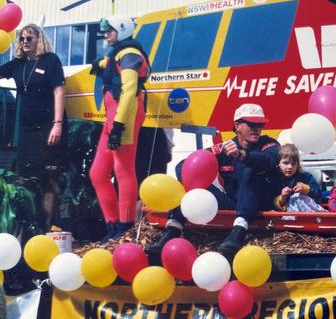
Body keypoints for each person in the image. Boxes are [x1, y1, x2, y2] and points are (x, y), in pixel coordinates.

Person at [147, 103, 280, 258]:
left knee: (249, 172)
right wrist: (191, 184)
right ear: (237, 126)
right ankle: (172, 231)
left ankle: (239, 231)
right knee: (189, 178)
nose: (257, 128)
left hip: (259, 204)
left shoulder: (269, 143)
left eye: (260, 124)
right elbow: (184, 165)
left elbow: (269, 160)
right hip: (233, 204)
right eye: (251, 124)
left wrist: (242, 155)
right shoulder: (224, 148)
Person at [88, 16, 149, 243]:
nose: (106, 35)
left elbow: (130, 90)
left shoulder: (130, 54)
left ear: (122, 31)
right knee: (97, 173)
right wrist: (100, 64)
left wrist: (119, 125)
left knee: (123, 171)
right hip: (112, 115)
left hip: (125, 113)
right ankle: (112, 226)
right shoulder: (119, 52)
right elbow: (108, 61)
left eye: (110, 31)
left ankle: (125, 228)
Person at [0, 24, 66, 229]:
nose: (25, 41)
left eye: (30, 38)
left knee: (49, 178)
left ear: (40, 39)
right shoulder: (18, 64)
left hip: (48, 126)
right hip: (27, 129)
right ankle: (28, 225)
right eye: (22, 38)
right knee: (26, 177)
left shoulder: (51, 60)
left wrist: (57, 124)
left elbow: (58, 92)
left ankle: (46, 226)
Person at [274, 144, 324, 212]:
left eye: (293, 164)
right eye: (286, 163)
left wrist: (306, 189)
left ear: (298, 165)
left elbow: (319, 194)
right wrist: (281, 198)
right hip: (284, 218)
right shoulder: (274, 179)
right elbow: (268, 202)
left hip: (306, 216)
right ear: (278, 163)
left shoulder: (305, 176)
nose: (290, 167)